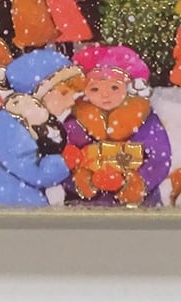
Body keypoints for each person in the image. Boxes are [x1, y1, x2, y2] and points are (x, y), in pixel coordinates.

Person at [0, 49, 85, 207]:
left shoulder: (35, 122)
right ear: (39, 93)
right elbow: (34, 173)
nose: (71, 101)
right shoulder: (9, 123)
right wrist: (64, 162)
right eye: (64, 93)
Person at [63, 44, 171, 207]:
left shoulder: (145, 119)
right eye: (95, 89)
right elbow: (63, 161)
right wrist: (79, 180)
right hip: (86, 206)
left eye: (114, 87)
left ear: (128, 88)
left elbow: (160, 158)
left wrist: (140, 182)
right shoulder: (74, 122)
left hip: (140, 205)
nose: (105, 94)